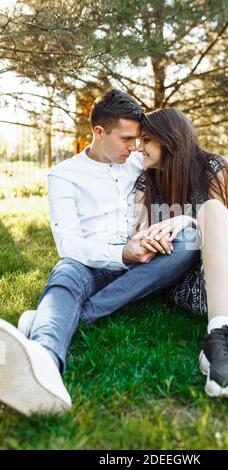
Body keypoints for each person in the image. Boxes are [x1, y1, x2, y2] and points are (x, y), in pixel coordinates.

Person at [75, 108, 228, 400]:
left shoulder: (211, 166)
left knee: (212, 210)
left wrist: (188, 221)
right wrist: (162, 233)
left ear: (168, 141)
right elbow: (142, 240)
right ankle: (224, 336)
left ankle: (220, 337)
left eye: (146, 141)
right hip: (185, 279)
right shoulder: (145, 182)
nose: (139, 148)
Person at [0, 91, 199, 416]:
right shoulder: (64, 176)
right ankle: (43, 364)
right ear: (98, 132)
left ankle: (71, 317)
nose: (134, 147)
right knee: (65, 273)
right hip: (90, 263)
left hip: (145, 260)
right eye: (126, 139)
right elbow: (69, 244)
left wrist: (182, 218)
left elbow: (180, 158)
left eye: (138, 139)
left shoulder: (137, 159)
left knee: (188, 242)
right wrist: (122, 253)